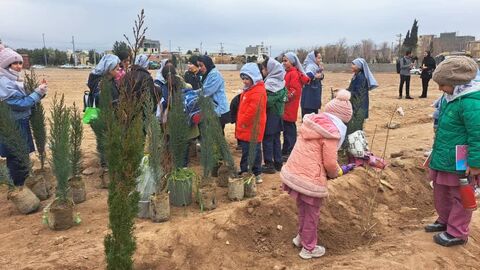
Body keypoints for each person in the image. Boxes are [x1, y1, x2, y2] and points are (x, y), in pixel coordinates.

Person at [281, 90, 353, 259]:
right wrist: (336, 172)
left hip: (295, 171)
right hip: (310, 178)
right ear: (343, 120)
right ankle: (309, 248)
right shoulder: (331, 133)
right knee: (312, 213)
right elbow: (329, 162)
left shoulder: (313, 123)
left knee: (303, 208)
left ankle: (301, 237)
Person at [425, 56, 480, 247]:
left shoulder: (471, 102)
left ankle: (457, 232)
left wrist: (475, 163)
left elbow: (477, 136)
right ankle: (445, 220)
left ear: (456, 83)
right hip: (444, 156)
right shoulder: (450, 98)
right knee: (441, 191)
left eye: (442, 84)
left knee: (460, 194)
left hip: (461, 160)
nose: (440, 88)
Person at [0, 45, 48, 186]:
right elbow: (19, 104)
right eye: (14, 63)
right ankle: (18, 186)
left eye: (20, 62)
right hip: (13, 124)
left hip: (20, 121)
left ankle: (20, 182)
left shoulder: (13, 80)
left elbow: (26, 99)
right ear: (5, 64)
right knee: (16, 155)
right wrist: (37, 93)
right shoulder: (3, 83)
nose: (18, 66)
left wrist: (40, 93)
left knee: (21, 155)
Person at [162, 65, 200, 167]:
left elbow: (166, 103)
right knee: (184, 145)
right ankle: (183, 166)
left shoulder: (167, 87)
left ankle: (179, 166)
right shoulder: (186, 85)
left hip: (177, 121)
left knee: (176, 145)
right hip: (187, 120)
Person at [87, 54, 121, 168]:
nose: (119, 70)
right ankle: (105, 164)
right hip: (103, 117)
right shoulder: (101, 83)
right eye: (116, 68)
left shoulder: (110, 80)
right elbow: (102, 100)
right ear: (109, 70)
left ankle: (107, 161)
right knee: (104, 139)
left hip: (109, 116)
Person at [236, 63, 267, 184]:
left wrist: (243, 122)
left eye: (247, 78)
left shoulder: (258, 91)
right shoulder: (250, 89)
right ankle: (245, 170)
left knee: (254, 150)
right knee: (246, 150)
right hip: (246, 126)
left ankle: (256, 172)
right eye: (243, 78)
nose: (244, 81)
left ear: (254, 77)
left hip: (253, 126)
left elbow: (252, 111)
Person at [260, 57, 287, 174]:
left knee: (267, 139)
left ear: (269, 69)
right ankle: (278, 162)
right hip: (278, 115)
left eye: (263, 69)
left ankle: (269, 164)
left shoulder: (271, 83)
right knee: (276, 139)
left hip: (271, 116)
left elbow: (268, 102)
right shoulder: (280, 81)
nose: (262, 71)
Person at [281, 52, 310, 161]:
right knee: (287, 128)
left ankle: (290, 150)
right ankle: (286, 149)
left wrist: (285, 98)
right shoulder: (288, 72)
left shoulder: (293, 74)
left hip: (290, 106)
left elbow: (295, 90)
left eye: (285, 61)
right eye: (283, 60)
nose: (283, 63)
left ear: (292, 62)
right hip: (287, 106)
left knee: (289, 129)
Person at [197, 55, 231, 132]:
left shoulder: (215, 74)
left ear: (207, 64)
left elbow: (206, 91)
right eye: (198, 66)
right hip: (213, 110)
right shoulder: (208, 74)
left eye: (201, 65)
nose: (199, 68)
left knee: (217, 135)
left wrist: (193, 94)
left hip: (219, 110)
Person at [346, 58, 378, 135]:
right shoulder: (356, 76)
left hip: (359, 106)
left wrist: (346, 93)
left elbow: (357, 92)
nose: (351, 66)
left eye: (354, 64)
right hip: (356, 104)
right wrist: (343, 91)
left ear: (359, 66)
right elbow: (352, 88)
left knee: (357, 127)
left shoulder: (361, 78)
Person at [301, 50, 324, 118]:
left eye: (321, 58)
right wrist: (316, 76)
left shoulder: (316, 66)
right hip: (309, 97)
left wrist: (320, 73)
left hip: (313, 96)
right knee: (309, 117)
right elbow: (308, 75)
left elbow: (321, 76)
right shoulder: (311, 65)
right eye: (318, 58)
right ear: (313, 58)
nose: (320, 60)